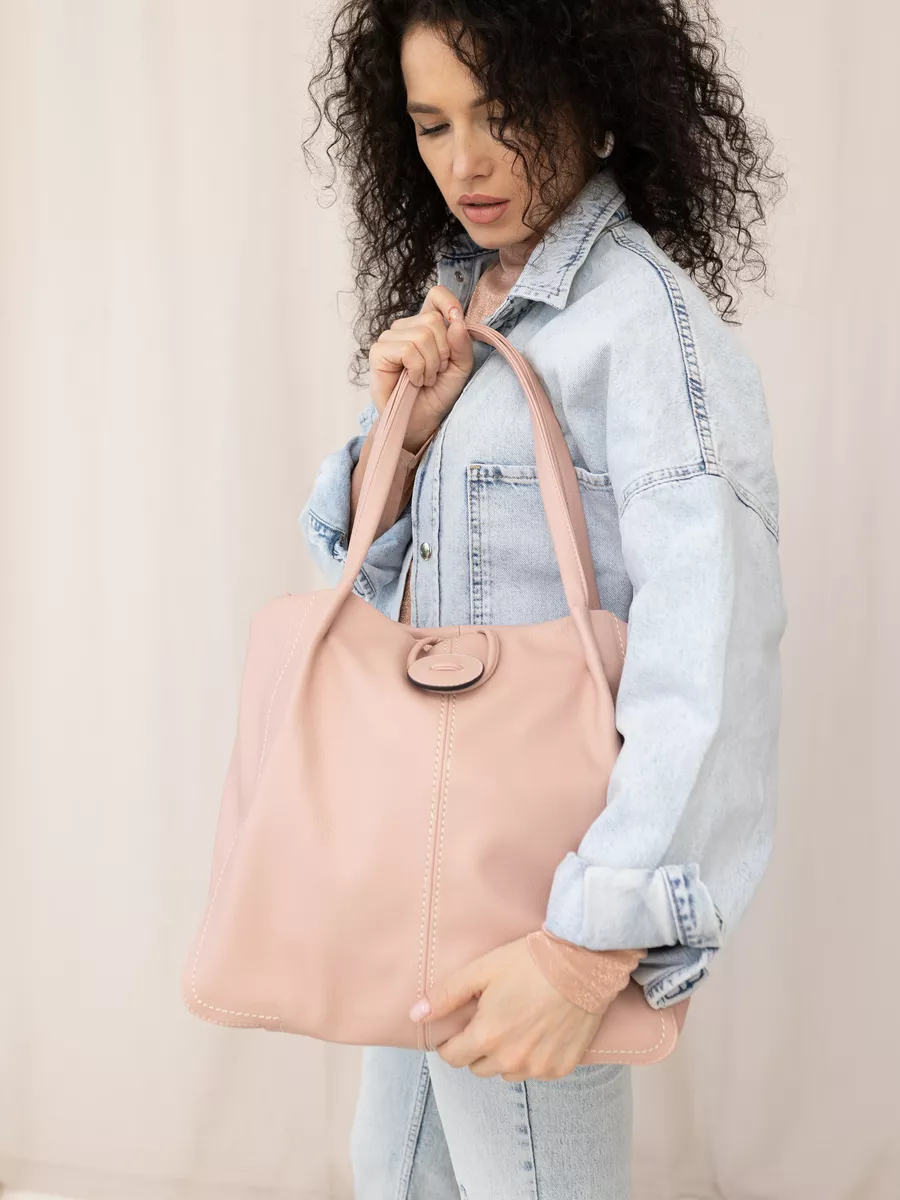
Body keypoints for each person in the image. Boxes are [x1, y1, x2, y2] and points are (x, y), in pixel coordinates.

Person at [298, 2, 787, 1196]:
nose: (466, 162)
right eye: (432, 124)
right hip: (430, 871)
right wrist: (407, 437)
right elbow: (367, 607)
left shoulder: (645, 331)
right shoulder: (469, 310)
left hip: (536, 900)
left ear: (599, 98)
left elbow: (708, 653)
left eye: (504, 114)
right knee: (390, 1170)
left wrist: (587, 945)